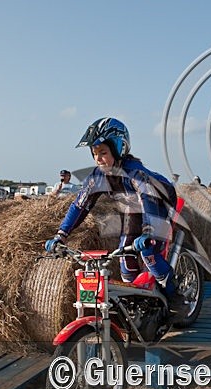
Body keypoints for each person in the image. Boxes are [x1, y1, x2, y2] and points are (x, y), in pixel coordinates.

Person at [45, 117, 178, 296]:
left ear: (118, 149)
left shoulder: (135, 172)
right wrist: (61, 235)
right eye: (94, 153)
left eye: (103, 152)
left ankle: (175, 296)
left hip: (159, 204)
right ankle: (137, 300)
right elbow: (79, 207)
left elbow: (149, 201)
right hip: (133, 208)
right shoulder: (96, 178)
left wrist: (148, 232)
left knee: (149, 253)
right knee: (124, 258)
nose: (98, 159)